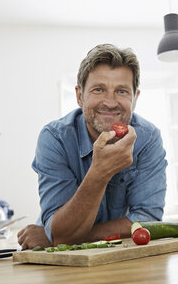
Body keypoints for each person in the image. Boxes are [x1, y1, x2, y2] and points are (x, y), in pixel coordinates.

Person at [17, 44, 167, 249]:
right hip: (58, 259)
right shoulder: (55, 138)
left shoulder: (148, 139)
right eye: (98, 89)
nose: (111, 102)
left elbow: (147, 220)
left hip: (110, 253)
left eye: (122, 91)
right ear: (80, 96)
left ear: (135, 99)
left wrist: (57, 236)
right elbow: (62, 233)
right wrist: (100, 172)